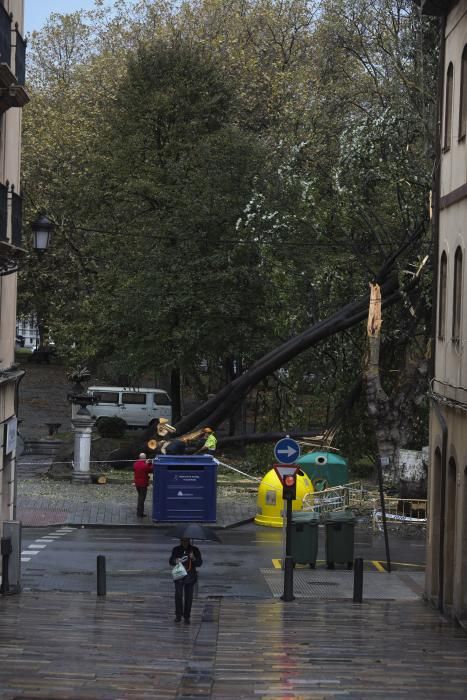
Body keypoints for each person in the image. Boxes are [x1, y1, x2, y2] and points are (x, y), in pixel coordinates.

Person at [169, 538, 202, 624]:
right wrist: (175, 560)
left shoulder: (194, 550)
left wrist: (193, 558)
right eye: (182, 540)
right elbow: (171, 561)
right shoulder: (176, 549)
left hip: (190, 576)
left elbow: (199, 563)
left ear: (189, 541)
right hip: (179, 575)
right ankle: (178, 615)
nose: (184, 542)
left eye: (186, 540)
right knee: (178, 595)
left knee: (189, 597)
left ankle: (187, 616)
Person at [132, 452, 152, 518]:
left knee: (140, 497)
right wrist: (150, 463)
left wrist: (146, 463)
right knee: (142, 499)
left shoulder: (135, 464)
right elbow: (151, 469)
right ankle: (140, 513)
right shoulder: (145, 465)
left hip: (137, 483)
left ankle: (139, 511)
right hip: (143, 484)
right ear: (145, 458)